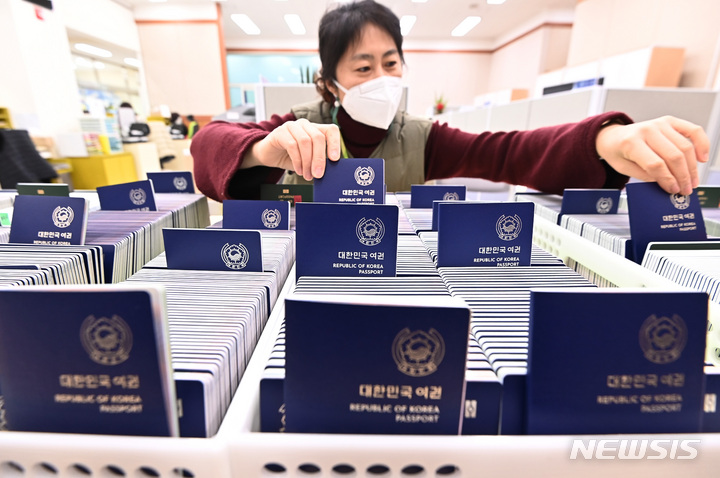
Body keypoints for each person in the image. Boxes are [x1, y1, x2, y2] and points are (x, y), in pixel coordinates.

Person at [190, 0, 709, 203]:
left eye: (390, 63)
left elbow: (508, 152)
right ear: (330, 82)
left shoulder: (422, 138)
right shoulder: (297, 125)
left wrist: (604, 139)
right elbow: (211, 143)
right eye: (363, 67)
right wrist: (262, 151)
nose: (381, 77)